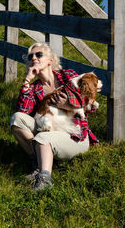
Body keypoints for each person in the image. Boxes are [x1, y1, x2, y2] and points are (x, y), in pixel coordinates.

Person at [10, 42, 99, 191]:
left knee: (43, 138)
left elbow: (89, 106)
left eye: (39, 55)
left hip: (74, 135)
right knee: (16, 118)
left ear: (51, 60)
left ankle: (44, 180)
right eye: (31, 56)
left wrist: (68, 105)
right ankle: (38, 165)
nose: (34, 58)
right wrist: (27, 81)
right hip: (48, 128)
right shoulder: (34, 88)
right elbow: (23, 111)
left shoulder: (68, 76)